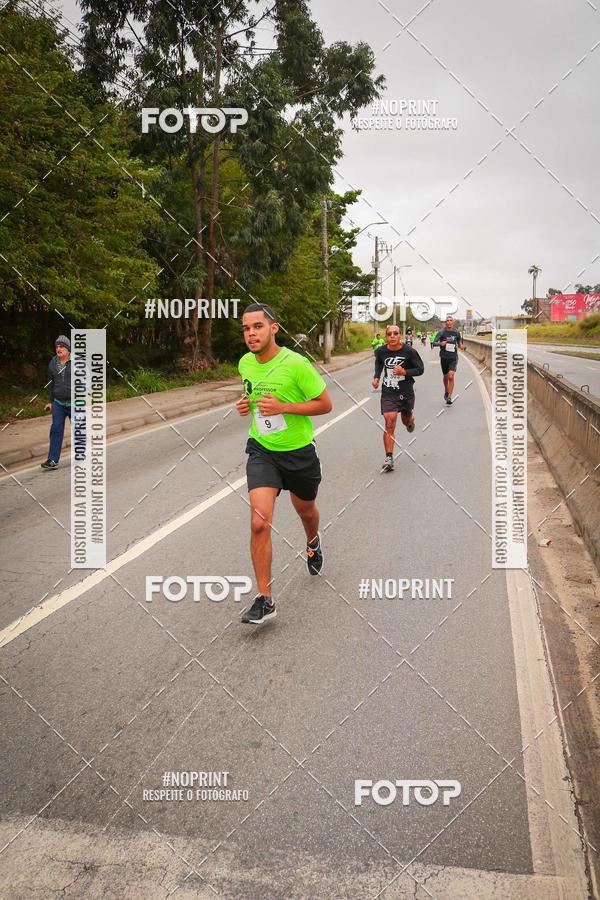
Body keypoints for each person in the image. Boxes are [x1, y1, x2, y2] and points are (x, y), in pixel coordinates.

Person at [236, 303, 333, 624]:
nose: (251, 333)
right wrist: (243, 404)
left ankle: (313, 541)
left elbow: (325, 404)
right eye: (246, 328)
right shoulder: (245, 363)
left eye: (257, 327)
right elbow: (251, 394)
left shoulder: (296, 364)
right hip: (262, 450)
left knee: (306, 510)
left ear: (273, 328)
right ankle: (265, 599)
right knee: (258, 522)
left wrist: (284, 407)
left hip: (299, 452)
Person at [372, 324, 424, 472]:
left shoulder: (409, 351)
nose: (392, 336)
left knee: (405, 420)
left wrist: (405, 372)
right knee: (390, 421)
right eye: (389, 334)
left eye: (395, 333)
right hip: (389, 391)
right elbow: (379, 364)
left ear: (400, 335)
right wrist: (376, 377)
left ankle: (410, 422)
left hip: (406, 392)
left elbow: (420, 369)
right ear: (386, 336)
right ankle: (389, 458)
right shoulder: (381, 351)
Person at [41, 336, 71, 470]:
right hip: (58, 403)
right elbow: (50, 383)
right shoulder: (53, 363)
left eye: (61, 347)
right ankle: (52, 460)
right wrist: (50, 401)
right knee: (55, 430)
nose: (58, 349)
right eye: (57, 347)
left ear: (68, 349)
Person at [433, 315, 465, 405]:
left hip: (453, 358)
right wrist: (440, 343)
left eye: (451, 320)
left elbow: (459, 344)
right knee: (445, 376)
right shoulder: (441, 332)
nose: (449, 322)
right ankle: (446, 390)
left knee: (451, 376)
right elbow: (433, 343)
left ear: (453, 322)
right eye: (448, 320)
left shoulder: (457, 333)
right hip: (444, 358)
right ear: (445, 322)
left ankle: (449, 397)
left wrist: (462, 347)